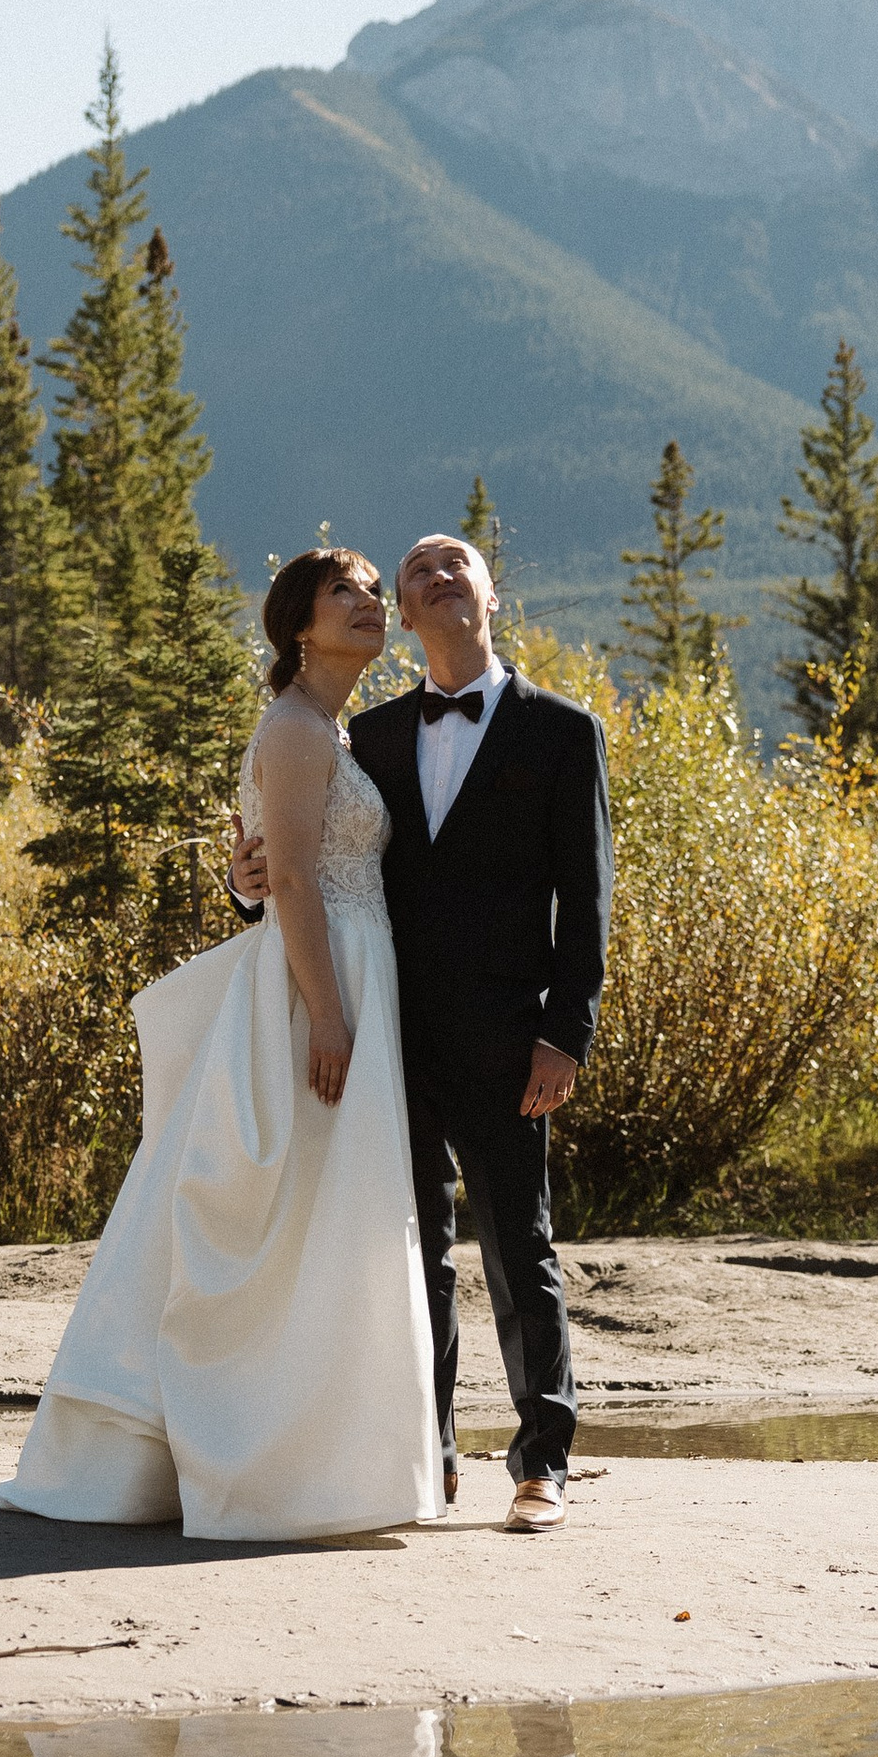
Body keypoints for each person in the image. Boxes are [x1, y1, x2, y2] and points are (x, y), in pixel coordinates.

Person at [0, 548, 440, 1540]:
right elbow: (285, 884)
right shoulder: (292, 731)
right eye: (346, 592)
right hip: (314, 988)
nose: (371, 604)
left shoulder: (333, 730)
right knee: (280, 1217)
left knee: (323, 1224)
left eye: (375, 590)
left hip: (351, 971)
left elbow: (278, 866)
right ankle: (253, 1460)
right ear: (298, 624)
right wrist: (326, 1014)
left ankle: (311, 1457)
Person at [237, 531, 610, 1533]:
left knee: (519, 1246)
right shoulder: (375, 736)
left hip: (508, 1034)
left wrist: (564, 1033)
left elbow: (588, 902)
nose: (439, 577)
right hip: (388, 1033)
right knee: (413, 1254)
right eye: (418, 573)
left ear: (492, 592)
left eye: (458, 564)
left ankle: (543, 1462)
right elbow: (314, 859)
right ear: (404, 617)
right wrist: (247, 885)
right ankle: (430, 1455)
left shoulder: (562, 732)